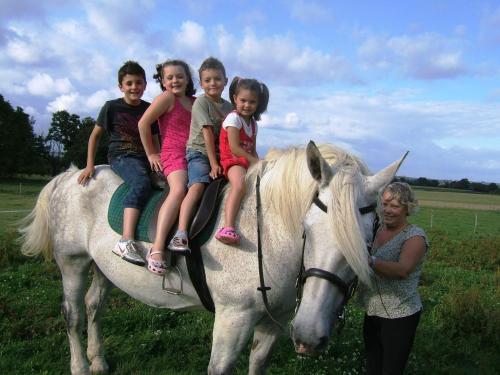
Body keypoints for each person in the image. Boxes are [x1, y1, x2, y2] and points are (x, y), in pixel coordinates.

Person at [77, 60, 160, 266]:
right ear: (121, 86)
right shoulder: (112, 107)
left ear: (145, 85)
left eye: (139, 83)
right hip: (122, 156)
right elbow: (95, 136)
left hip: (147, 156)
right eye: (129, 83)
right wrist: (89, 164)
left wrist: (160, 159)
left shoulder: (149, 109)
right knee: (141, 182)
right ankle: (125, 240)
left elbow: (156, 138)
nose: (134, 87)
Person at [357, 182, 429, 375]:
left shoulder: (415, 237)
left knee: (391, 370)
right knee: (372, 366)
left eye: (395, 206)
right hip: (373, 310)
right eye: (384, 205)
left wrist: (368, 260)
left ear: (407, 208)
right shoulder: (377, 229)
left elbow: (402, 270)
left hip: (400, 315)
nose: (387, 210)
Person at [138, 59, 196, 275]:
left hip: (194, 155)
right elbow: (143, 123)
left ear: (188, 79)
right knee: (179, 190)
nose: (175, 81)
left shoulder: (195, 101)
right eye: (169, 77)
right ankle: (158, 246)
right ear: (162, 81)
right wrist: (152, 152)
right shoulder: (167, 98)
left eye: (179, 76)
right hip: (173, 154)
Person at [215, 77, 269, 245]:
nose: (247, 105)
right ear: (235, 99)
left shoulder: (253, 124)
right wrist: (255, 161)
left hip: (245, 160)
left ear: (258, 103)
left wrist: (260, 162)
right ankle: (228, 226)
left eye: (252, 102)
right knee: (239, 185)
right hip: (232, 160)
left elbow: (251, 148)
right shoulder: (233, 119)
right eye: (243, 100)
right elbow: (235, 148)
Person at [184, 57, 233, 228]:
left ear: (225, 81)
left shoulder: (229, 107)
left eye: (217, 79)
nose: (213, 83)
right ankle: (181, 231)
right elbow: (207, 134)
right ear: (201, 83)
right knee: (197, 185)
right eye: (207, 80)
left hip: (220, 153)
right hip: (199, 152)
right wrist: (213, 165)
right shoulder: (201, 102)